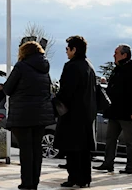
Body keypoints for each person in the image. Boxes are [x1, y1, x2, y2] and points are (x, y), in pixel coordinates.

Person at [3, 41, 56, 190]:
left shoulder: (21, 67)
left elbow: (7, 88)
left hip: (23, 115)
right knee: (36, 148)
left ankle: (27, 182)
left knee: (26, 149)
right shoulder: (45, 69)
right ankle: (35, 181)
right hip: (40, 115)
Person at [93, 44, 132, 174]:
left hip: (127, 112)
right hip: (114, 111)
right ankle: (108, 163)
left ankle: (131, 166)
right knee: (110, 138)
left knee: (130, 140)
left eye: (116, 53)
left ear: (124, 55)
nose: (114, 55)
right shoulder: (118, 69)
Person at [54, 35, 97, 188]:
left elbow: (66, 91)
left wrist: (55, 104)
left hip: (72, 114)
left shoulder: (71, 66)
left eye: (67, 49)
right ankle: (85, 178)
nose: (66, 52)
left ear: (74, 49)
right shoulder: (89, 66)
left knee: (72, 149)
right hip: (86, 114)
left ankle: (74, 178)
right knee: (84, 150)